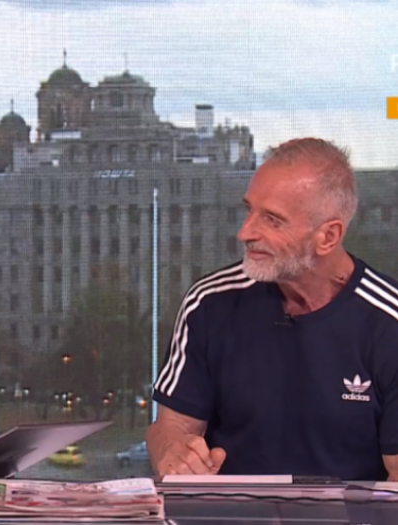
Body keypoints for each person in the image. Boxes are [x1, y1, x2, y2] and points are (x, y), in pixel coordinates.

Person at [147, 137, 398, 481]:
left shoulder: (389, 323)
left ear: (328, 237)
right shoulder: (209, 302)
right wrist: (173, 453)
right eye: (249, 210)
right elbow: (170, 426)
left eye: (273, 220)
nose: (245, 232)